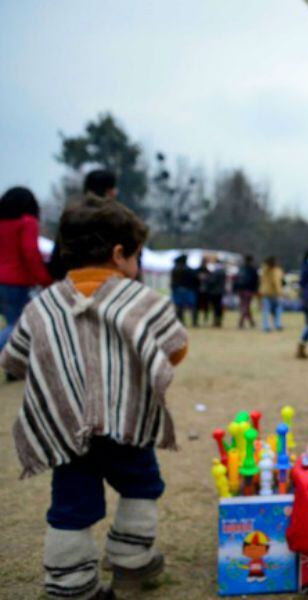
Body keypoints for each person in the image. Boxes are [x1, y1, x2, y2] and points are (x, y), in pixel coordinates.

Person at [0, 197, 188, 599]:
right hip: (128, 423)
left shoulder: (43, 306)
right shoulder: (144, 302)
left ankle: (70, 584)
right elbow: (175, 349)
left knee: (70, 506)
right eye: (136, 256)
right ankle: (131, 559)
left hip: (65, 426)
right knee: (142, 486)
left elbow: (15, 359)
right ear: (120, 254)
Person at [0, 187, 53, 357]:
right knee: (18, 326)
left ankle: (15, 366)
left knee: (13, 323)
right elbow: (30, 253)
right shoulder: (27, 222)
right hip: (16, 281)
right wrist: (45, 279)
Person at [48, 169, 119, 281]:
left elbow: (58, 254)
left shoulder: (72, 215)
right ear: (109, 191)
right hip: (104, 280)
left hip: (70, 279)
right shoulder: (115, 219)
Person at [170, 254, 200, 326]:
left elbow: (173, 282)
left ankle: (181, 322)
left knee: (179, 307)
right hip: (189, 290)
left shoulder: (175, 270)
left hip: (178, 290)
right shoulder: (190, 270)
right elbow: (196, 280)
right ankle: (194, 322)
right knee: (192, 306)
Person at [259, 256, 284, 332]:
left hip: (265, 292)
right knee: (278, 309)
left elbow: (261, 281)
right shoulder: (277, 270)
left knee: (266, 310)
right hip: (275, 293)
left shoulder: (263, 270)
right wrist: (280, 292)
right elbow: (277, 282)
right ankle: (278, 324)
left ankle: (266, 326)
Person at [234, 255, 259, 329]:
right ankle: (241, 322)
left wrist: (236, 288)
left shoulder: (241, 268)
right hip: (249, 290)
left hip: (240, 290)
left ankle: (251, 322)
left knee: (244, 305)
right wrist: (255, 290)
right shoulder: (253, 269)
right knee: (246, 306)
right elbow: (256, 281)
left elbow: (236, 279)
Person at [206, 261, 226, 328]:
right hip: (220, 292)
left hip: (214, 292)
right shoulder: (223, 272)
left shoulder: (215, 272)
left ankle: (216, 321)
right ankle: (218, 320)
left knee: (215, 307)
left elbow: (212, 281)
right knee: (219, 307)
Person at [196, 257, 211, 325]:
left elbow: (211, 281)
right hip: (198, 291)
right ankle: (196, 321)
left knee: (206, 307)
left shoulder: (208, 271)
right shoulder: (197, 271)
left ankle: (205, 320)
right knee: (197, 307)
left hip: (206, 292)